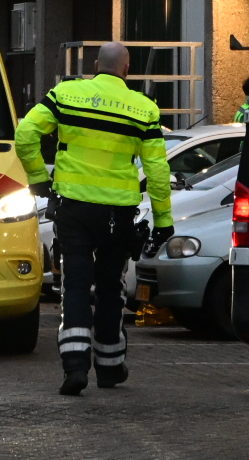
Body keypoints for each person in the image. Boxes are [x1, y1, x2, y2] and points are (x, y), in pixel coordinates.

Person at [15, 41, 173, 395]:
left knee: (73, 285)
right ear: (127, 70)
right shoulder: (144, 109)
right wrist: (164, 221)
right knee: (109, 289)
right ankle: (110, 366)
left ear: (96, 65)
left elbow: (25, 135)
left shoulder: (66, 94)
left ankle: (75, 366)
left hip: (74, 210)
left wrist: (40, 182)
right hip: (118, 214)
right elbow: (158, 171)